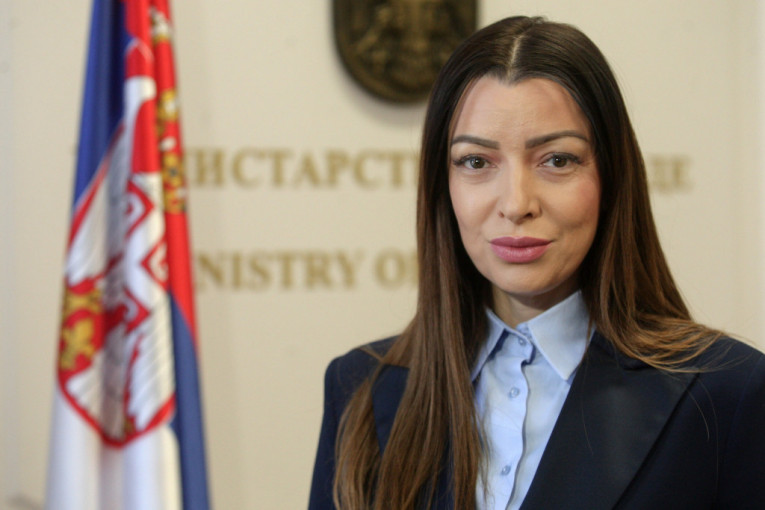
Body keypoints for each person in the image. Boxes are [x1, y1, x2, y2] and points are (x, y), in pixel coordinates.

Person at [308, 16, 765, 510]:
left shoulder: (729, 394)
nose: (516, 203)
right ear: (444, 186)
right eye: (476, 162)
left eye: (557, 160)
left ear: (611, 176)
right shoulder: (358, 386)